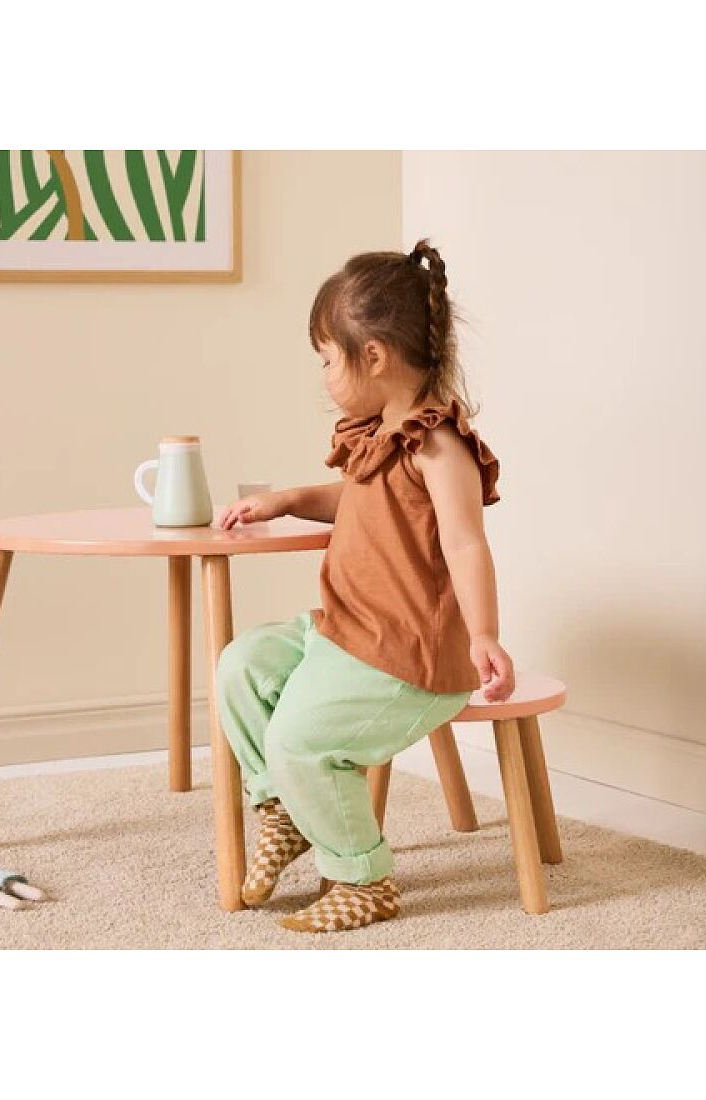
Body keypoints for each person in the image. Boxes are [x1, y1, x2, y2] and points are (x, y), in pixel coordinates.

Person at [214, 238, 515, 934]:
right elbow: (358, 500)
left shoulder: (438, 446)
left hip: (406, 654)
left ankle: (362, 877)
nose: (323, 375)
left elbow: (467, 543)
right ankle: (285, 806)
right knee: (241, 667)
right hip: (348, 631)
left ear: (373, 356)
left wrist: (486, 635)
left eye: (327, 357)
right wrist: (286, 498)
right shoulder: (377, 432)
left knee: (296, 738)